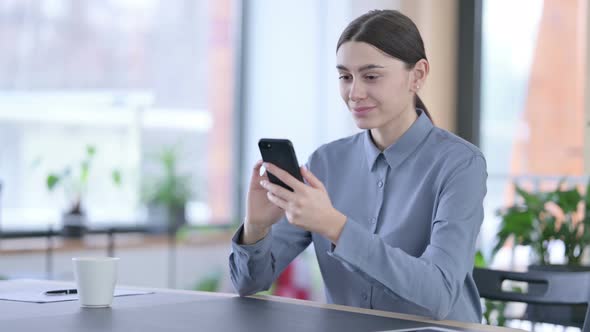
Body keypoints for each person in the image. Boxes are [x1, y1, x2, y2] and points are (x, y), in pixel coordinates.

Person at [229, 9, 487, 323]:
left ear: (417, 75)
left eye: (371, 76)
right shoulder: (325, 163)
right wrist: (256, 228)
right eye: (345, 76)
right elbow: (248, 282)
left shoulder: (461, 165)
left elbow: (438, 295)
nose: (354, 93)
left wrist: (336, 226)